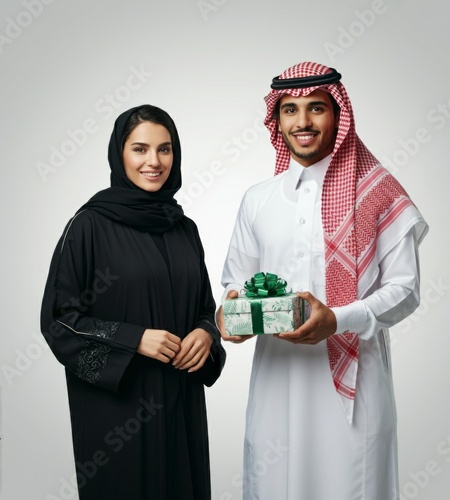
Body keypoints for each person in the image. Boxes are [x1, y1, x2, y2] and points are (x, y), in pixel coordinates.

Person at [217, 62, 429, 500]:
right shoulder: (258, 199)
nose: (303, 122)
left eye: (317, 108)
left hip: (353, 384)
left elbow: (405, 290)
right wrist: (231, 315)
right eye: (290, 110)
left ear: (338, 115)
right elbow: (235, 281)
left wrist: (338, 319)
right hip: (276, 380)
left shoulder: (378, 191)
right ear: (277, 121)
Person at [41, 104, 226, 500]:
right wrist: (134, 339)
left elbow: (204, 309)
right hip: (118, 415)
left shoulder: (183, 229)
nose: (154, 162)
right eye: (140, 149)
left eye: (165, 149)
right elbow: (59, 320)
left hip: (180, 402)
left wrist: (205, 335)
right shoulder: (89, 225)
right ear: (119, 153)